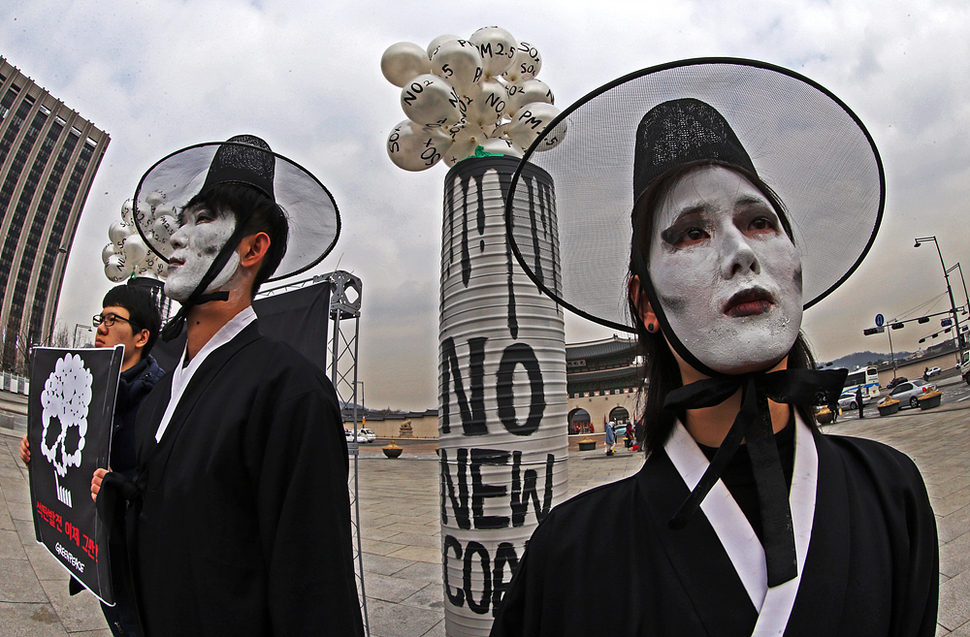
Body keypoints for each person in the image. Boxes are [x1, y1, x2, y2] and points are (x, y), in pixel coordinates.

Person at [492, 60, 938, 636]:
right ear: (645, 300)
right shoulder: (572, 549)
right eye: (691, 233)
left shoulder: (891, 491)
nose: (739, 253)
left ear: (795, 265)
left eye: (759, 223)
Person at [92, 136, 363, 637]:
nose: (176, 237)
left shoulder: (290, 394)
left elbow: (314, 591)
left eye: (203, 220)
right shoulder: (160, 394)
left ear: (253, 248)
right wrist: (113, 489)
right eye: (182, 220)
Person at [20, 283, 163, 637]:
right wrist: (39, 453)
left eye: (113, 319)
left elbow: (165, 481)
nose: (101, 327)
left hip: (135, 557)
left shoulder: (160, 397)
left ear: (141, 336)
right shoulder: (88, 384)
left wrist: (120, 485)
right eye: (101, 317)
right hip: (98, 549)